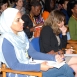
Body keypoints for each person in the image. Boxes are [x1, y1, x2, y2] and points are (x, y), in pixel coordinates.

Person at [0, 8, 74, 77]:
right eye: (18, 20)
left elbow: (33, 53)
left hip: (29, 68)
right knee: (65, 69)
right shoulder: (6, 40)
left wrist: (53, 57)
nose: (22, 21)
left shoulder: (21, 34)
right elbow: (15, 66)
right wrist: (39, 67)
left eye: (21, 19)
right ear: (8, 23)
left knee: (64, 69)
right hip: (20, 73)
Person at [39, 9, 77, 77]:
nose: (63, 23)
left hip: (58, 56)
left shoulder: (55, 30)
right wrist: (64, 52)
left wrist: (64, 33)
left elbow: (62, 46)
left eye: (63, 20)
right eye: (61, 20)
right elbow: (47, 49)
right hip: (50, 58)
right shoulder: (47, 29)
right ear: (55, 20)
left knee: (76, 67)